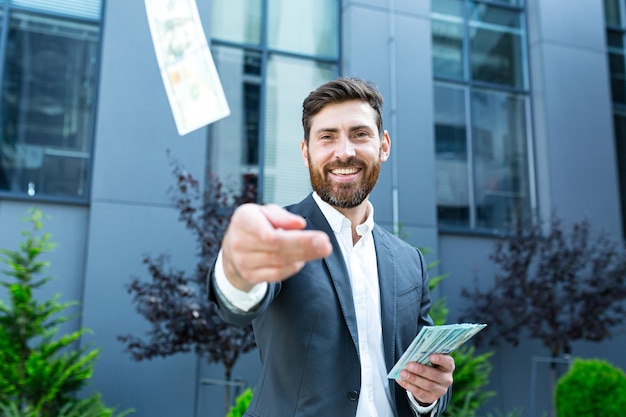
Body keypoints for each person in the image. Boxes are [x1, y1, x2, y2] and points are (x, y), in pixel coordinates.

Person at [208, 77, 454, 416]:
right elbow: (237, 304)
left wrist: (426, 396)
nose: (345, 152)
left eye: (359, 134)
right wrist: (235, 270)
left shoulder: (409, 260)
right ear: (306, 151)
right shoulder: (280, 235)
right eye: (327, 137)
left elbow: (421, 378)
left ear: (383, 146)